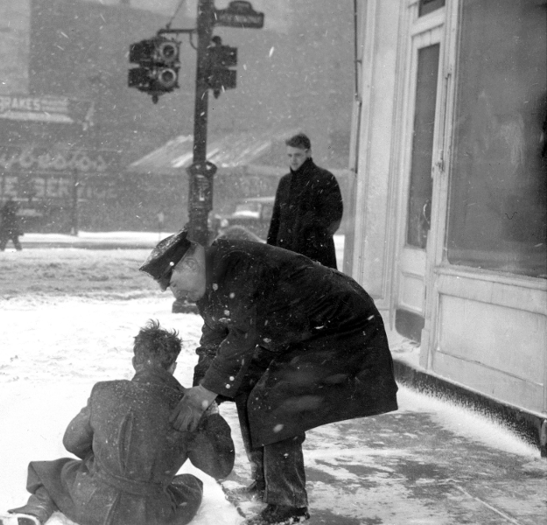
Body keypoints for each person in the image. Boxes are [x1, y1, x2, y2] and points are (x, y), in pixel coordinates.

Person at [139, 229, 398, 525]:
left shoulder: (236, 266)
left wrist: (206, 393)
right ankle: (267, 481)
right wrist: (202, 388)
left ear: (191, 266)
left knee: (274, 398)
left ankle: (289, 507)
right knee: (245, 383)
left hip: (342, 326)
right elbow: (214, 338)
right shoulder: (209, 282)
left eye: (173, 284)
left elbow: (242, 338)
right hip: (300, 331)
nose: (176, 295)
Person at [0, 319, 234, 525]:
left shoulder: (105, 392)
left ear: (135, 361)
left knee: (55, 473)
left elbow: (72, 442)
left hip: (92, 503)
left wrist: (107, 458)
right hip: (150, 515)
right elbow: (220, 467)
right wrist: (211, 414)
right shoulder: (189, 407)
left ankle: (35, 511)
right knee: (191, 484)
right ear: (173, 366)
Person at [266, 132, 343, 269]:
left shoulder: (324, 179)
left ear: (308, 153)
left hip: (315, 259)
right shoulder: (285, 182)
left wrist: (312, 239)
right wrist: (269, 253)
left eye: (297, 155)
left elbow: (333, 218)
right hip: (285, 257)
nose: (293, 160)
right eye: (289, 155)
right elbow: (276, 222)